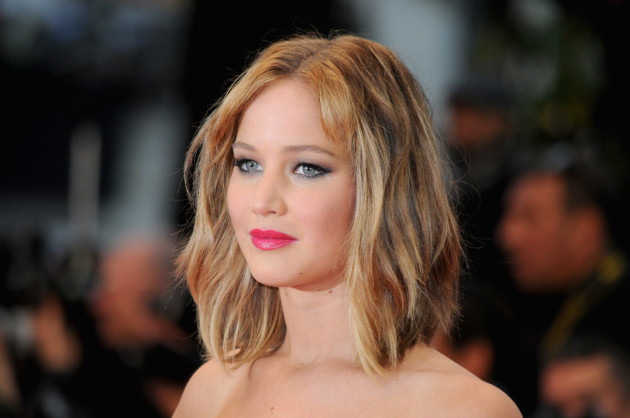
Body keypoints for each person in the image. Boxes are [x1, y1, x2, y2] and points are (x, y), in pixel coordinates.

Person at [174, 33, 521, 417]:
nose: (262, 202)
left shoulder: (462, 408)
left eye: (307, 168)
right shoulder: (211, 391)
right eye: (248, 164)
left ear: (383, 188)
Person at [496, 160, 630, 413]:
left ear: (585, 228)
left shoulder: (619, 312)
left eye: (529, 217)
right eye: (508, 215)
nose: (507, 235)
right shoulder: (523, 303)